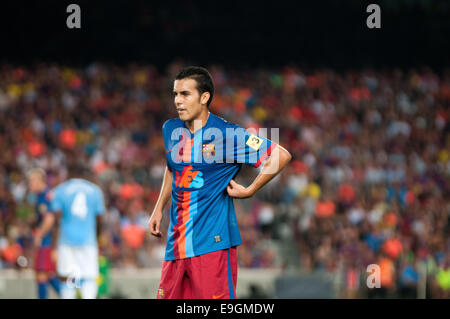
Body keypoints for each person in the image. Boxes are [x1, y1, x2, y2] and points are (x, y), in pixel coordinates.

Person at [148, 66, 291, 299]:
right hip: (176, 244)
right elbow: (172, 167)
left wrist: (251, 190)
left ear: (204, 97)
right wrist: (158, 209)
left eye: (185, 94)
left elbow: (281, 155)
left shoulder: (229, 134)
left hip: (212, 244)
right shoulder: (170, 128)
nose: (177, 101)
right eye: (175, 94)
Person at [49, 165, 105, 299]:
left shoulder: (60, 190)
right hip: (88, 240)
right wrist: (97, 238)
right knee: (89, 276)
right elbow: (100, 219)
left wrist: (54, 246)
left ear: (70, 173)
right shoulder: (95, 190)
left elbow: (56, 220)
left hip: (66, 240)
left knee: (67, 276)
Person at [27, 168, 60, 299]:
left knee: (42, 273)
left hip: (47, 241)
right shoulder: (41, 196)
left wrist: (39, 235)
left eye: (32, 181)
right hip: (49, 241)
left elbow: (50, 219)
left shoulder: (46, 196)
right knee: (47, 274)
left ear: (40, 181)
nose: (30, 185)